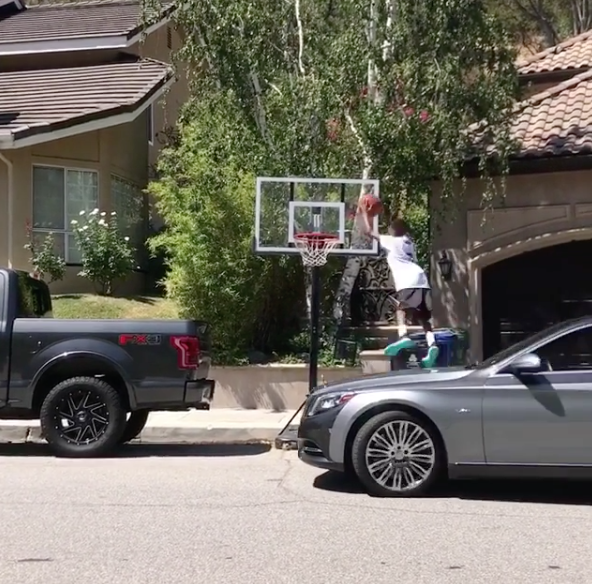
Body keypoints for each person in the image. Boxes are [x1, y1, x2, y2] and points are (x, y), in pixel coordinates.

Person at [359, 205, 440, 368]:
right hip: (421, 279)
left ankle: (403, 337)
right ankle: (432, 345)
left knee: (401, 309)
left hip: (407, 280)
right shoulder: (409, 243)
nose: (388, 231)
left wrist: (365, 214)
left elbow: (369, 232)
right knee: (424, 318)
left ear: (395, 230)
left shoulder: (393, 241)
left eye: (390, 229)